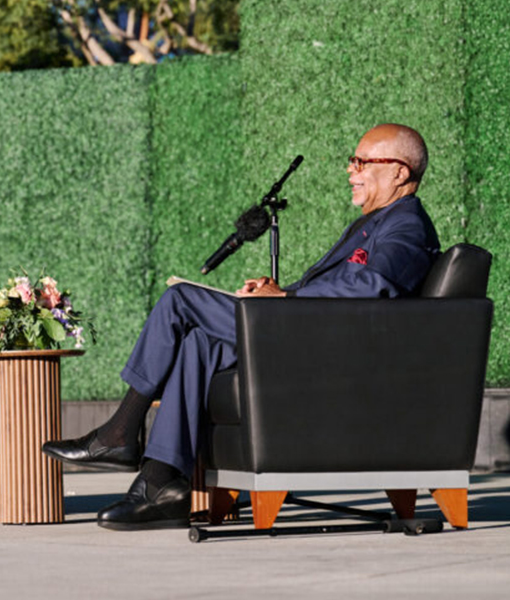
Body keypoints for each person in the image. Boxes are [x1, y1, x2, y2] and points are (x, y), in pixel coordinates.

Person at [42, 123, 441, 530]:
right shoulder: (377, 221)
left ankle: (119, 432)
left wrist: (285, 300)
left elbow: (374, 286)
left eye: (362, 162)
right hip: (306, 328)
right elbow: (343, 284)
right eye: (351, 161)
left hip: (324, 343)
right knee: (199, 342)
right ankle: (159, 484)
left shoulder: (406, 224)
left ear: (399, 172)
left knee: (180, 301)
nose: (351, 171)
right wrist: (278, 290)